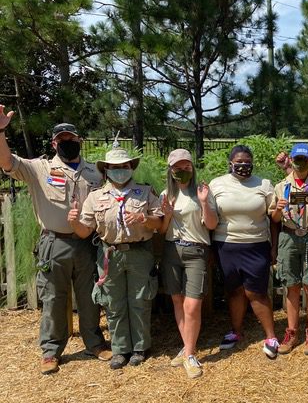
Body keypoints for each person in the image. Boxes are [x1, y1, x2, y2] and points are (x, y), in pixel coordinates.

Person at [0, 108, 111, 375]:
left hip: (87, 243)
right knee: (53, 299)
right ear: (54, 143)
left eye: (70, 138)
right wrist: (0, 131)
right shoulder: (40, 168)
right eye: (61, 140)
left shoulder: (95, 173)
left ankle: (95, 343)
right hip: (54, 245)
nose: (66, 143)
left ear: (79, 140)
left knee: (89, 298)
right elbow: (6, 163)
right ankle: (51, 351)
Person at [68, 146, 163, 370]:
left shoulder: (145, 192)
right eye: (115, 168)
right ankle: (120, 349)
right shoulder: (95, 197)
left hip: (139, 253)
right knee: (113, 303)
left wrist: (144, 218)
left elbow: (158, 223)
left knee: (140, 300)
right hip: (110, 254)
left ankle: (140, 347)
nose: (120, 170)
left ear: (131, 168)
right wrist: (73, 222)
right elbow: (84, 231)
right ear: (107, 170)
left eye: (124, 167)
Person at [209, 145, 279, 358]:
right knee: (235, 291)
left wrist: (274, 246)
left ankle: (270, 336)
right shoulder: (216, 185)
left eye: (247, 163)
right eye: (238, 163)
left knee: (256, 292)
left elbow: (274, 219)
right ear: (230, 163)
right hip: (225, 245)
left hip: (256, 245)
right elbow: (209, 216)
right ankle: (236, 332)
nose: (243, 166)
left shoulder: (264, 184)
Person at [159, 149, 218, 379]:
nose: (182, 171)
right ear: (171, 170)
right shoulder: (167, 194)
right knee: (177, 300)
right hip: (172, 249)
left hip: (196, 250)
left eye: (186, 167)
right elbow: (162, 231)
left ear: (192, 168)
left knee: (192, 305)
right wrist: (167, 215)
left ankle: (190, 355)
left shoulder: (202, 192)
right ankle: (187, 348)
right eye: (177, 168)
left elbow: (211, 225)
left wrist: (204, 203)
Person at [269, 143, 308, 355]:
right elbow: (275, 219)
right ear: (292, 160)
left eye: (304, 159)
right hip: (289, 236)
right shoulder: (281, 186)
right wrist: (277, 210)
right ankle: (292, 332)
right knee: (291, 285)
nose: (300, 163)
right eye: (297, 159)